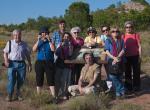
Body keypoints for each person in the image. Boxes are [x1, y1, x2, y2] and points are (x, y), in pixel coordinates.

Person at [3, 29, 32, 101]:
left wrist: (30, 64)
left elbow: (27, 55)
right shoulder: (9, 43)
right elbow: (5, 52)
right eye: (15, 35)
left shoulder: (24, 44)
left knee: (21, 80)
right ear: (13, 35)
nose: (17, 36)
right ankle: (9, 95)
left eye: (19, 34)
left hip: (22, 64)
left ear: (21, 35)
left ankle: (18, 94)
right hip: (12, 64)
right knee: (11, 80)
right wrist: (6, 61)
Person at [32, 27, 56, 101]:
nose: (44, 34)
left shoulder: (50, 41)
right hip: (40, 62)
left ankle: (53, 97)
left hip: (49, 62)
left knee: (51, 79)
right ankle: (39, 96)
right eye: (42, 33)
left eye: (45, 33)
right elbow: (34, 49)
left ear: (48, 34)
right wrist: (38, 40)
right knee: (39, 79)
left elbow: (53, 49)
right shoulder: (39, 41)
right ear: (40, 34)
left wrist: (49, 40)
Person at [105, 27, 125, 98]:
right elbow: (107, 51)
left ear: (119, 32)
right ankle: (119, 91)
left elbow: (123, 50)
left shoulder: (121, 40)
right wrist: (114, 58)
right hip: (111, 60)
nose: (115, 32)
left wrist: (117, 58)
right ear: (111, 33)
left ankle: (121, 92)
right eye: (113, 31)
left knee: (120, 76)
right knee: (113, 76)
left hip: (119, 60)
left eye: (117, 31)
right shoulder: (108, 40)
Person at [123, 21, 142, 93]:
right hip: (126, 57)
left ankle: (136, 87)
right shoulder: (123, 36)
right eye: (127, 27)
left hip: (135, 56)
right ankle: (128, 88)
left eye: (130, 27)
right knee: (127, 72)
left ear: (132, 27)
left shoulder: (136, 35)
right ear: (125, 28)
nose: (128, 28)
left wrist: (140, 56)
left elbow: (139, 46)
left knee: (136, 72)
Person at [55, 32, 73, 100]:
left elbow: (70, 54)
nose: (66, 38)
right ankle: (57, 94)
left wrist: (69, 46)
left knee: (64, 81)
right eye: (65, 37)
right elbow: (56, 53)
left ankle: (64, 93)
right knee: (58, 80)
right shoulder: (59, 44)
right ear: (63, 37)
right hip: (59, 64)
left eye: (68, 37)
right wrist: (61, 46)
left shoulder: (70, 45)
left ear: (69, 38)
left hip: (66, 65)